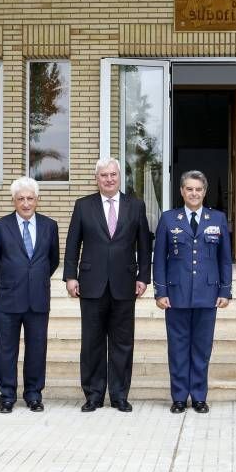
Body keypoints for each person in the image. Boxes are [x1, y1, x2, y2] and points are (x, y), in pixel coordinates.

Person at [63, 158, 151, 413]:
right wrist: (70, 276)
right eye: (104, 175)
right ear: (97, 178)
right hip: (91, 285)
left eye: (113, 174)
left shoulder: (135, 206)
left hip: (125, 284)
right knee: (92, 343)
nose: (109, 179)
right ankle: (93, 395)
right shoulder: (83, 206)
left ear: (119, 177)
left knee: (123, 343)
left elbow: (144, 245)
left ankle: (120, 395)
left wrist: (143, 277)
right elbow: (72, 244)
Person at [152, 170, 232, 414]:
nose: (194, 193)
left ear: (204, 192)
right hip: (176, 294)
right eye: (189, 189)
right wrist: (160, 291)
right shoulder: (168, 219)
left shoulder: (217, 219)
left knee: (201, 348)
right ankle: (178, 397)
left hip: (207, 294)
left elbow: (225, 259)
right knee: (177, 348)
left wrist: (225, 291)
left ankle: (198, 396)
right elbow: (160, 260)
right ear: (182, 191)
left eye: (198, 189)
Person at [0, 176, 60, 413]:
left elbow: (53, 260)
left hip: (38, 298)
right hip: (8, 299)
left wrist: (35, 279)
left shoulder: (50, 226)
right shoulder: (0, 226)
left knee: (37, 349)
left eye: (30, 198)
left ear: (37, 200)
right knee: (6, 350)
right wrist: (10, 279)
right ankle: (7, 395)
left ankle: (33, 394)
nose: (25, 203)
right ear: (13, 201)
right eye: (20, 199)